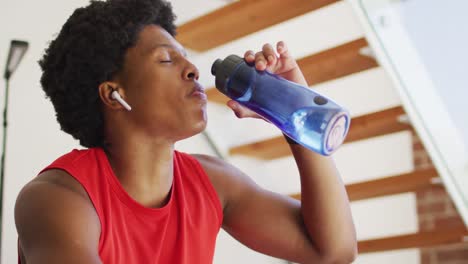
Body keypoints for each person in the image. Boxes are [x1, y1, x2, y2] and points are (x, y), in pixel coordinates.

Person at [14, 0, 357, 263]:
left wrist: (293, 110)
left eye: (185, 57)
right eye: (166, 59)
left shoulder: (212, 182)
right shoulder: (56, 200)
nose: (192, 69)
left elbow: (331, 251)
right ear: (113, 95)